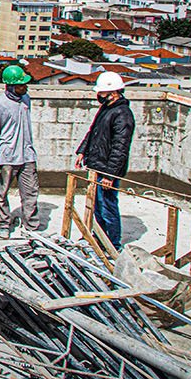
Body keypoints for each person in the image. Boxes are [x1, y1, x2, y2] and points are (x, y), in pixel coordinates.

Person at [75, 71, 135, 250]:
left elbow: (120, 148)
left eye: (101, 93)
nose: (99, 96)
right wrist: (82, 151)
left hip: (107, 170)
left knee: (108, 208)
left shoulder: (123, 114)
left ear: (113, 92)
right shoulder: (107, 109)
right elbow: (93, 132)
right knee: (97, 207)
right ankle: (99, 238)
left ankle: (112, 244)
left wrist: (109, 175)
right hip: (97, 165)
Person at [0, 64, 38, 237]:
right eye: (21, 85)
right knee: (2, 193)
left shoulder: (26, 99)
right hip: (7, 156)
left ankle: (31, 226)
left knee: (30, 192)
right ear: (10, 86)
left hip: (27, 154)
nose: (25, 87)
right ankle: (4, 224)